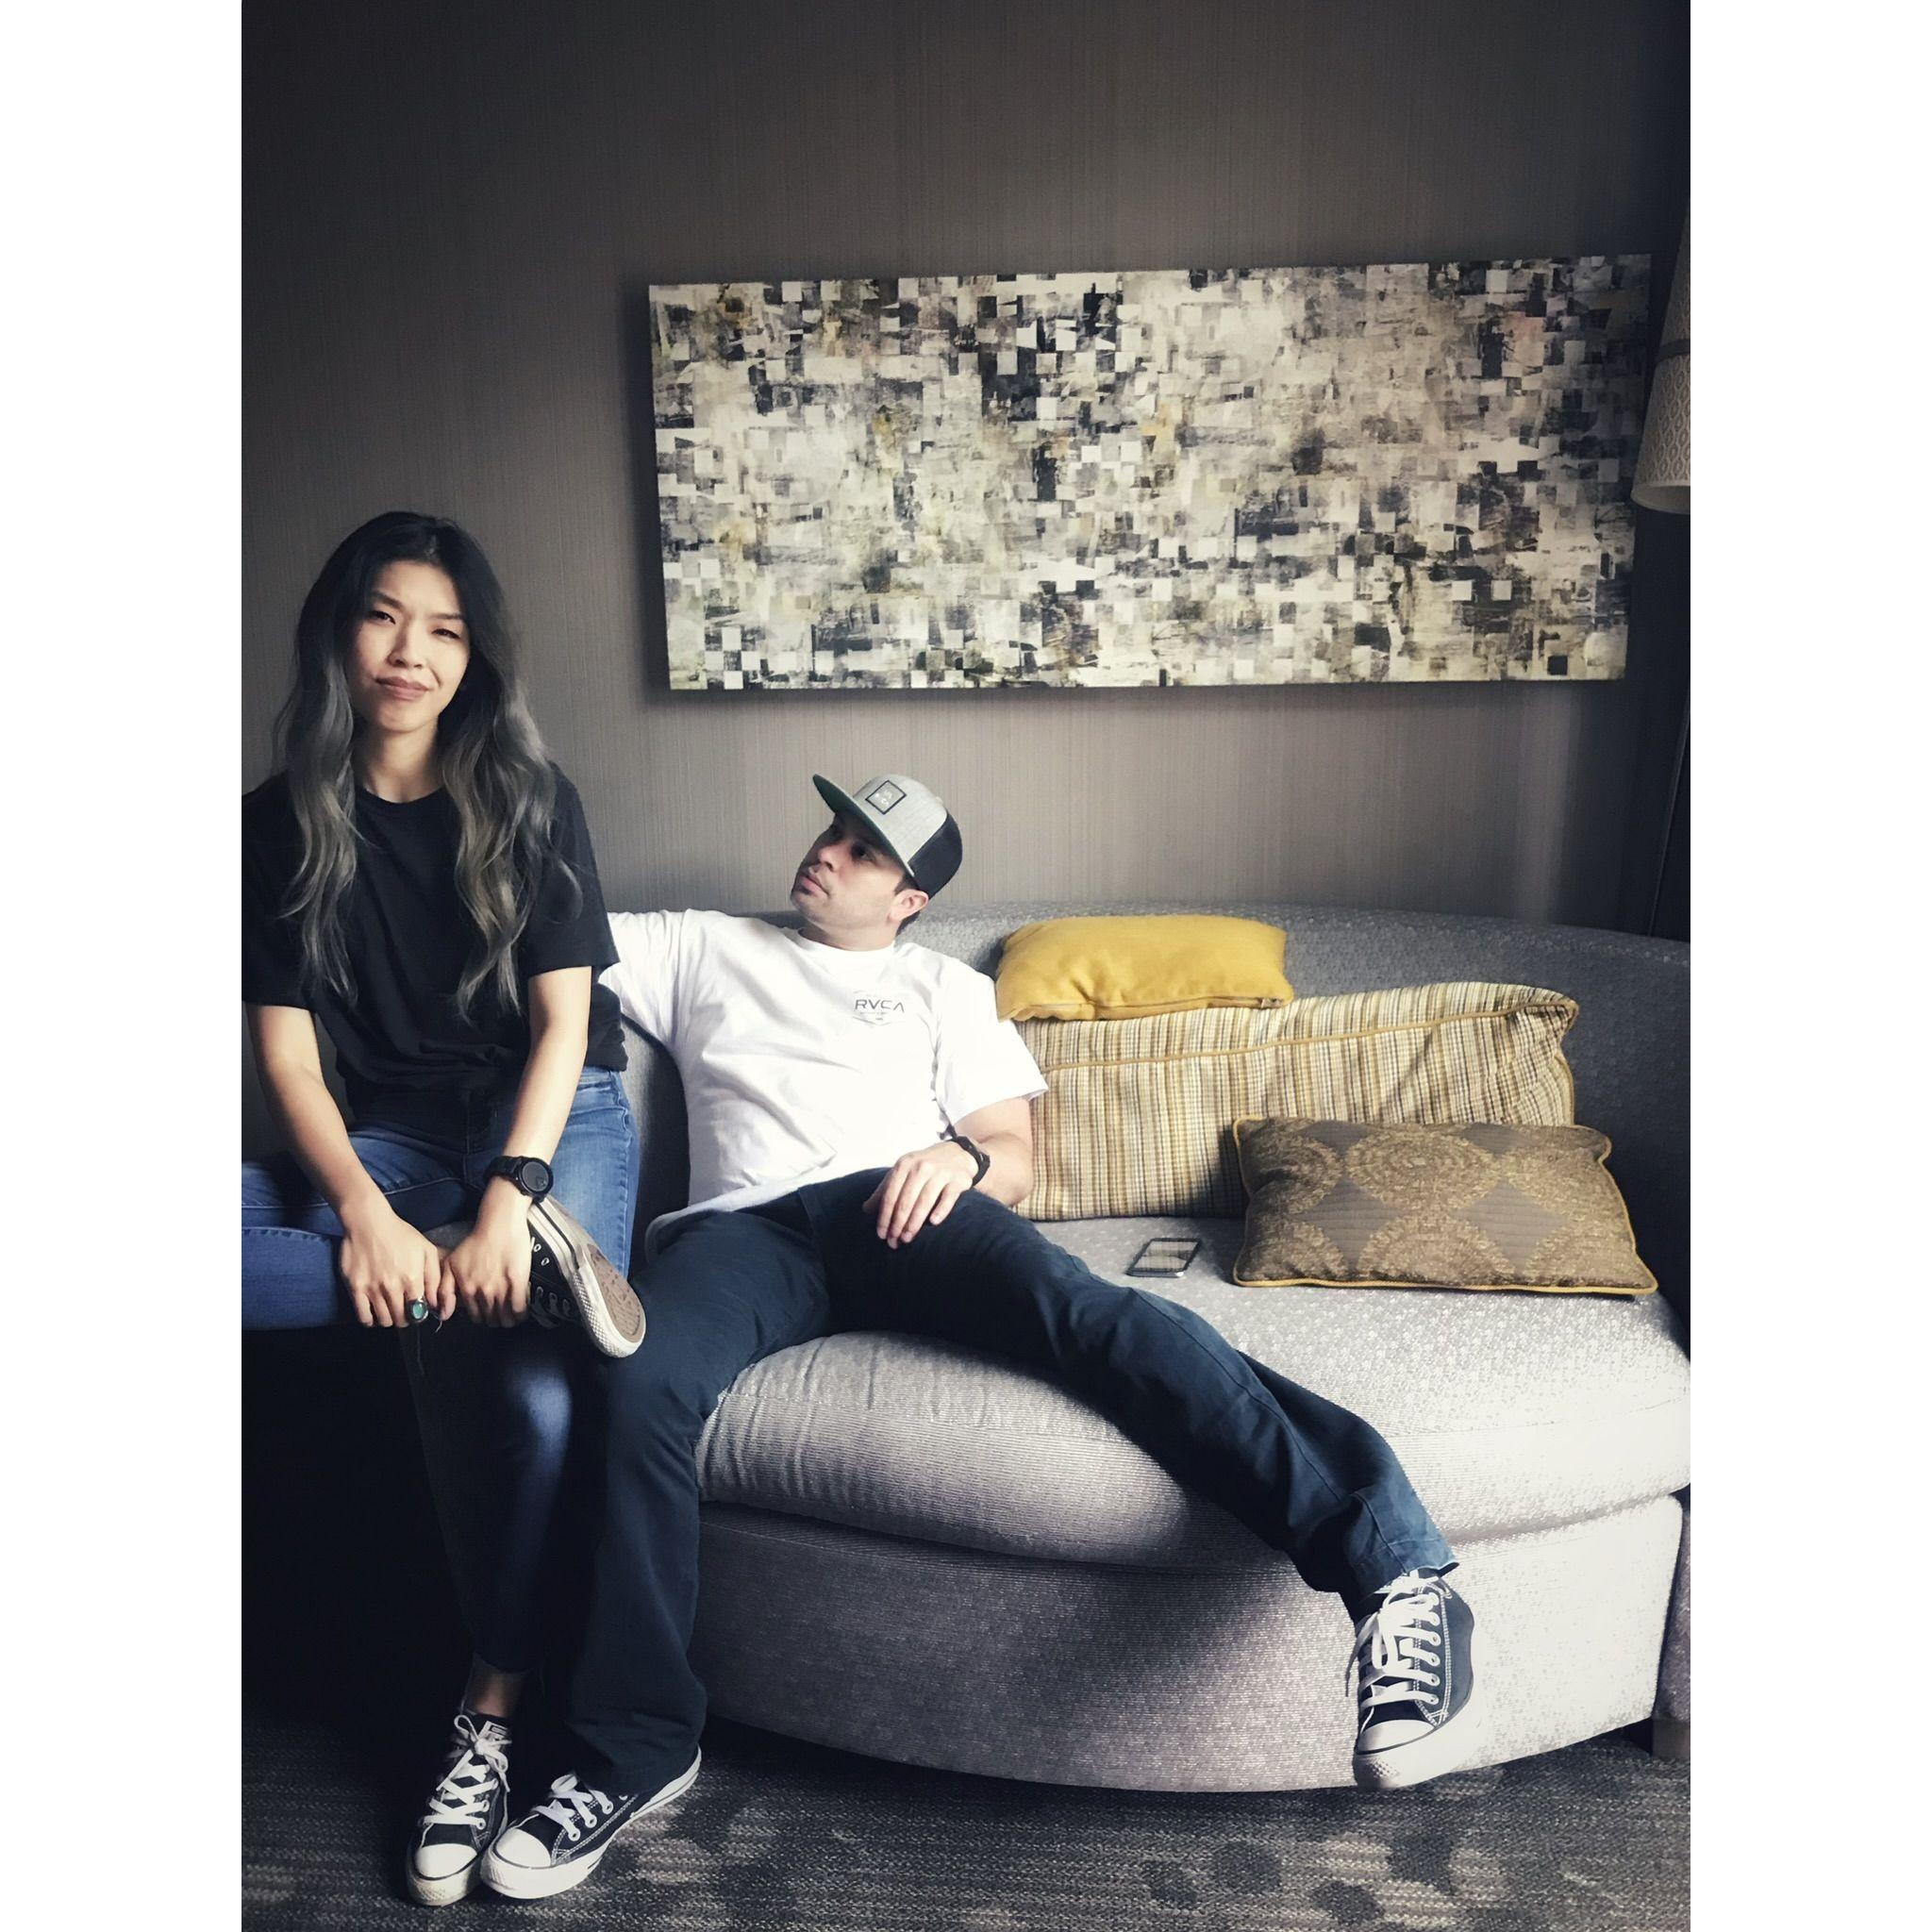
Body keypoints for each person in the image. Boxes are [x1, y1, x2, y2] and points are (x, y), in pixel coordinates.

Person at [475, 772, 1484, 1905]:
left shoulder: (946, 988)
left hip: (905, 1205)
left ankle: (1393, 1572)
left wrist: (954, 1158)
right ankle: (638, 1741)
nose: (828, 852)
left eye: (864, 852)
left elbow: (1012, 1152)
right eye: (833, 830)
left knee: (1090, 1315)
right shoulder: (699, 945)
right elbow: (539, 940)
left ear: (908, 899)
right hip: (743, 1232)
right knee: (634, 1378)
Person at [241, 510, 642, 1907]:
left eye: (446, 629)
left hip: (549, 1125)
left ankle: (489, 1709)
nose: (411, 652)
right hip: (391, 1142)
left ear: (477, 657)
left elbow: (564, 1028)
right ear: (337, 633)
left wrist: (507, 1198)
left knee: (532, 1403)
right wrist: (363, 1212)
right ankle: (518, 1282)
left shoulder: (530, 796)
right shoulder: (272, 823)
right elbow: (288, 1059)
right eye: (384, 616)